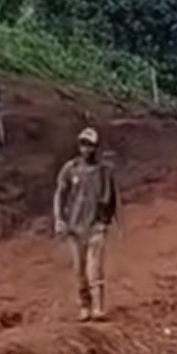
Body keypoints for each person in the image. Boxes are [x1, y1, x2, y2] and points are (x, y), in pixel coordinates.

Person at [53, 126, 118, 322]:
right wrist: (58, 218)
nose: (86, 149)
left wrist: (104, 221)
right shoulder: (70, 168)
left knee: (94, 269)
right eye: (83, 144)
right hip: (74, 227)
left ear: (96, 147)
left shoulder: (104, 171)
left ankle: (97, 307)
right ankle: (84, 306)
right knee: (79, 270)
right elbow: (60, 193)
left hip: (95, 227)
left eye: (90, 145)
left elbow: (110, 198)